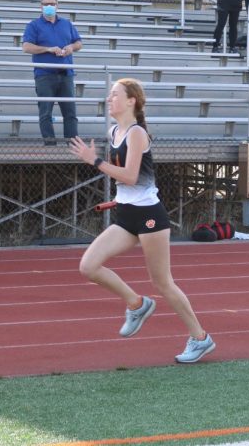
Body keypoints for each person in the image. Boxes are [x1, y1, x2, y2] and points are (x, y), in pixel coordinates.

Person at [68, 78, 216, 364]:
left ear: (131, 101)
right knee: (88, 266)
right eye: (109, 95)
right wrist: (116, 195)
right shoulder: (114, 132)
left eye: (114, 95)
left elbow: (131, 176)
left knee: (163, 282)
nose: (109, 99)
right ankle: (137, 304)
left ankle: (200, 338)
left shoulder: (136, 133)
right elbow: (126, 183)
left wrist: (94, 160)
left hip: (149, 216)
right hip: (126, 214)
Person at [21, 0, 83, 144]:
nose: (49, 7)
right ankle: (50, 146)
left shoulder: (67, 24)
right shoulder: (33, 25)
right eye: (45, 4)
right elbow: (26, 47)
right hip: (45, 75)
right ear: (40, 6)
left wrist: (71, 47)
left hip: (66, 74)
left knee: (70, 113)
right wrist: (47, 49)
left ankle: (73, 145)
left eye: (52, 4)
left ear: (57, 5)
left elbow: (79, 43)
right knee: (45, 113)